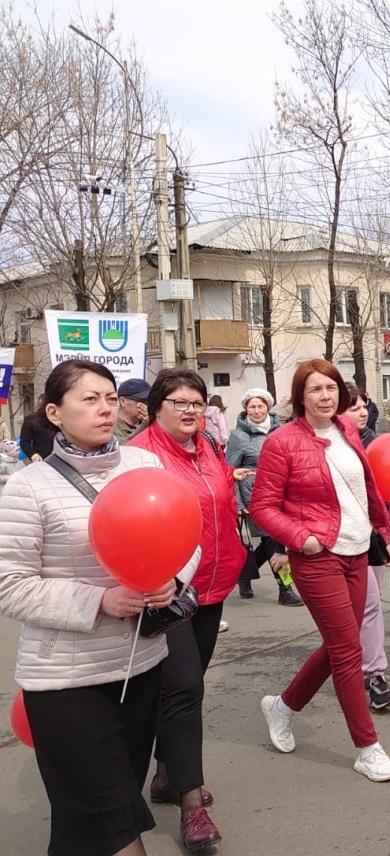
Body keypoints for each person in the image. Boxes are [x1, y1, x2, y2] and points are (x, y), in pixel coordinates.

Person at [0, 360, 182, 856]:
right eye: (89, 399)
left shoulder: (144, 466)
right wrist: (98, 599)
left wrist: (171, 578)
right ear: (55, 413)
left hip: (139, 666)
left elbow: (186, 539)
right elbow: (10, 585)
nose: (105, 408)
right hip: (64, 681)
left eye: (109, 397)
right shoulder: (28, 488)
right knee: (115, 818)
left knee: (87, 822)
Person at [252, 359, 390, 782]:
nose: (324, 396)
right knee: (348, 652)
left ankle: (281, 707)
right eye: (315, 389)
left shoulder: (347, 430)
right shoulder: (282, 442)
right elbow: (262, 506)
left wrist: (382, 533)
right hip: (318, 557)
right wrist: (302, 539)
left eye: (331, 388)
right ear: (300, 396)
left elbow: (366, 490)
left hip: (356, 550)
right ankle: (367, 748)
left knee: (341, 647)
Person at [128, 368, 249, 851]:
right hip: (168, 592)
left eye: (197, 402)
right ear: (156, 407)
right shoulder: (139, 455)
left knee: (183, 683)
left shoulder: (212, 450)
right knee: (185, 689)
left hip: (213, 587)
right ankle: (192, 806)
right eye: (178, 402)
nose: (189, 410)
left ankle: (165, 774)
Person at [345, 387, 390, 712]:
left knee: (370, 604)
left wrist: (388, 537)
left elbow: (388, 496)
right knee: (358, 608)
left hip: (373, 537)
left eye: (364, 406)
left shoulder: (377, 445)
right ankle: (364, 668)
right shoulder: (331, 446)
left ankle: (371, 671)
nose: (362, 412)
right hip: (338, 539)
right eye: (354, 408)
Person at [226, 389, 303, 607]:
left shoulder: (282, 430)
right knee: (273, 541)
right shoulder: (239, 437)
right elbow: (229, 471)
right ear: (245, 409)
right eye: (252, 407)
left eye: (260, 406)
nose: (257, 411)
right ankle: (285, 588)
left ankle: (244, 575)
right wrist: (238, 503)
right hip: (254, 497)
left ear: (268, 407)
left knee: (271, 541)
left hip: (282, 494)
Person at [19, 393, 56, 462]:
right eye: (41, 404)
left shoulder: (58, 419)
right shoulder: (30, 420)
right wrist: (33, 455)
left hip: (60, 460)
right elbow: (24, 442)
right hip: (41, 460)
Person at [113, 378, 149, 444]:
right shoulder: (112, 425)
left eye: (149, 401)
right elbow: (123, 448)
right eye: (141, 401)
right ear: (123, 401)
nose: (146, 405)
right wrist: (146, 425)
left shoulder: (147, 421)